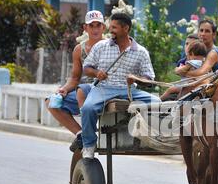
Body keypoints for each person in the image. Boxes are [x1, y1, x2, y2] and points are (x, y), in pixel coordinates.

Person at [81, 12, 160, 159]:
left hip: (129, 90)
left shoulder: (141, 52)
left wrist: (135, 78)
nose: (110, 31)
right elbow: (86, 68)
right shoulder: (101, 46)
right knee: (88, 108)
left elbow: (149, 78)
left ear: (126, 29)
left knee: (157, 103)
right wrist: (97, 73)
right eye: (110, 27)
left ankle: (154, 138)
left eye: (114, 28)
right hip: (103, 88)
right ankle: (89, 145)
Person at [46, 10, 106, 152]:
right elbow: (74, 78)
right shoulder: (79, 49)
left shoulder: (110, 46)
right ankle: (81, 134)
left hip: (103, 91)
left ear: (104, 27)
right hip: (82, 93)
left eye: (98, 25)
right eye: (92, 26)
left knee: (83, 91)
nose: (95, 29)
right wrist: (64, 89)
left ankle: (89, 134)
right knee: (51, 102)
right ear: (85, 28)